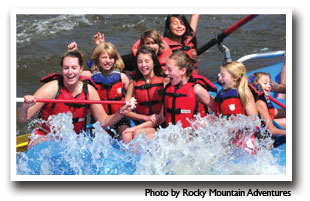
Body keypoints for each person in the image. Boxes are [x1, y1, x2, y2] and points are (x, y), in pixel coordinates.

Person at [17, 50, 134, 149]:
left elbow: (103, 121)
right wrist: (25, 106)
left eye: (74, 68)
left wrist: (120, 112)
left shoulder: (89, 91)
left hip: (73, 140)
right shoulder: (51, 89)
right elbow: (22, 119)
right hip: (44, 136)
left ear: (81, 69)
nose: (70, 72)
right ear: (61, 69)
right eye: (66, 68)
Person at [68, 41, 131, 140]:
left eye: (111, 58)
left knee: (126, 135)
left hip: (120, 118)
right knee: (102, 138)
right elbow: (72, 74)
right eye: (104, 58)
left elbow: (133, 93)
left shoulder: (122, 77)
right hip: (98, 121)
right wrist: (73, 54)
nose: (108, 61)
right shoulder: (89, 76)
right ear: (97, 59)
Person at [121, 46, 166, 143]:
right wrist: (145, 118)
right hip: (143, 122)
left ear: (153, 62)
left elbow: (162, 117)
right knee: (126, 135)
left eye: (147, 61)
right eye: (140, 62)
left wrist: (135, 128)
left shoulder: (164, 81)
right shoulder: (133, 84)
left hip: (161, 125)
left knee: (139, 133)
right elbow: (125, 111)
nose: (143, 65)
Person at [162, 14, 217, 93]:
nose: (179, 26)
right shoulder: (163, 44)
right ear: (169, 26)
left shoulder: (190, 39)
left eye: (182, 23)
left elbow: (195, 16)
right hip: (176, 86)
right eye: (175, 23)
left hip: (193, 82)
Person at [214, 61, 259, 154]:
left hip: (245, 137)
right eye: (219, 75)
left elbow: (254, 119)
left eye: (223, 75)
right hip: (228, 138)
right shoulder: (221, 95)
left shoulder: (244, 92)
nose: (219, 78)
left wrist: (237, 124)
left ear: (235, 77)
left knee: (247, 152)